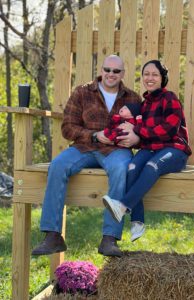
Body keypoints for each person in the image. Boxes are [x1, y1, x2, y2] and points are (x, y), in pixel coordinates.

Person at [31, 54, 141, 257]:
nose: (111, 74)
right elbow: (67, 128)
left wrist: (135, 138)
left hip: (117, 151)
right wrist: (94, 135)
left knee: (121, 169)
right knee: (57, 165)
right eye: (107, 69)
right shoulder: (82, 92)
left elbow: (143, 131)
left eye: (116, 71)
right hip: (84, 147)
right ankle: (53, 235)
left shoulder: (133, 98)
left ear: (122, 74)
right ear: (101, 71)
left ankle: (110, 238)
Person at [102, 60, 192, 231]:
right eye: (146, 74)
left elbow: (169, 130)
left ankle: (122, 207)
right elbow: (142, 135)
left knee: (152, 166)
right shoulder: (143, 106)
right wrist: (128, 136)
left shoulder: (170, 98)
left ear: (162, 78)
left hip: (175, 150)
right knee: (132, 167)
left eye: (155, 74)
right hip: (151, 149)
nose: (150, 78)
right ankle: (137, 222)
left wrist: (136, 129)